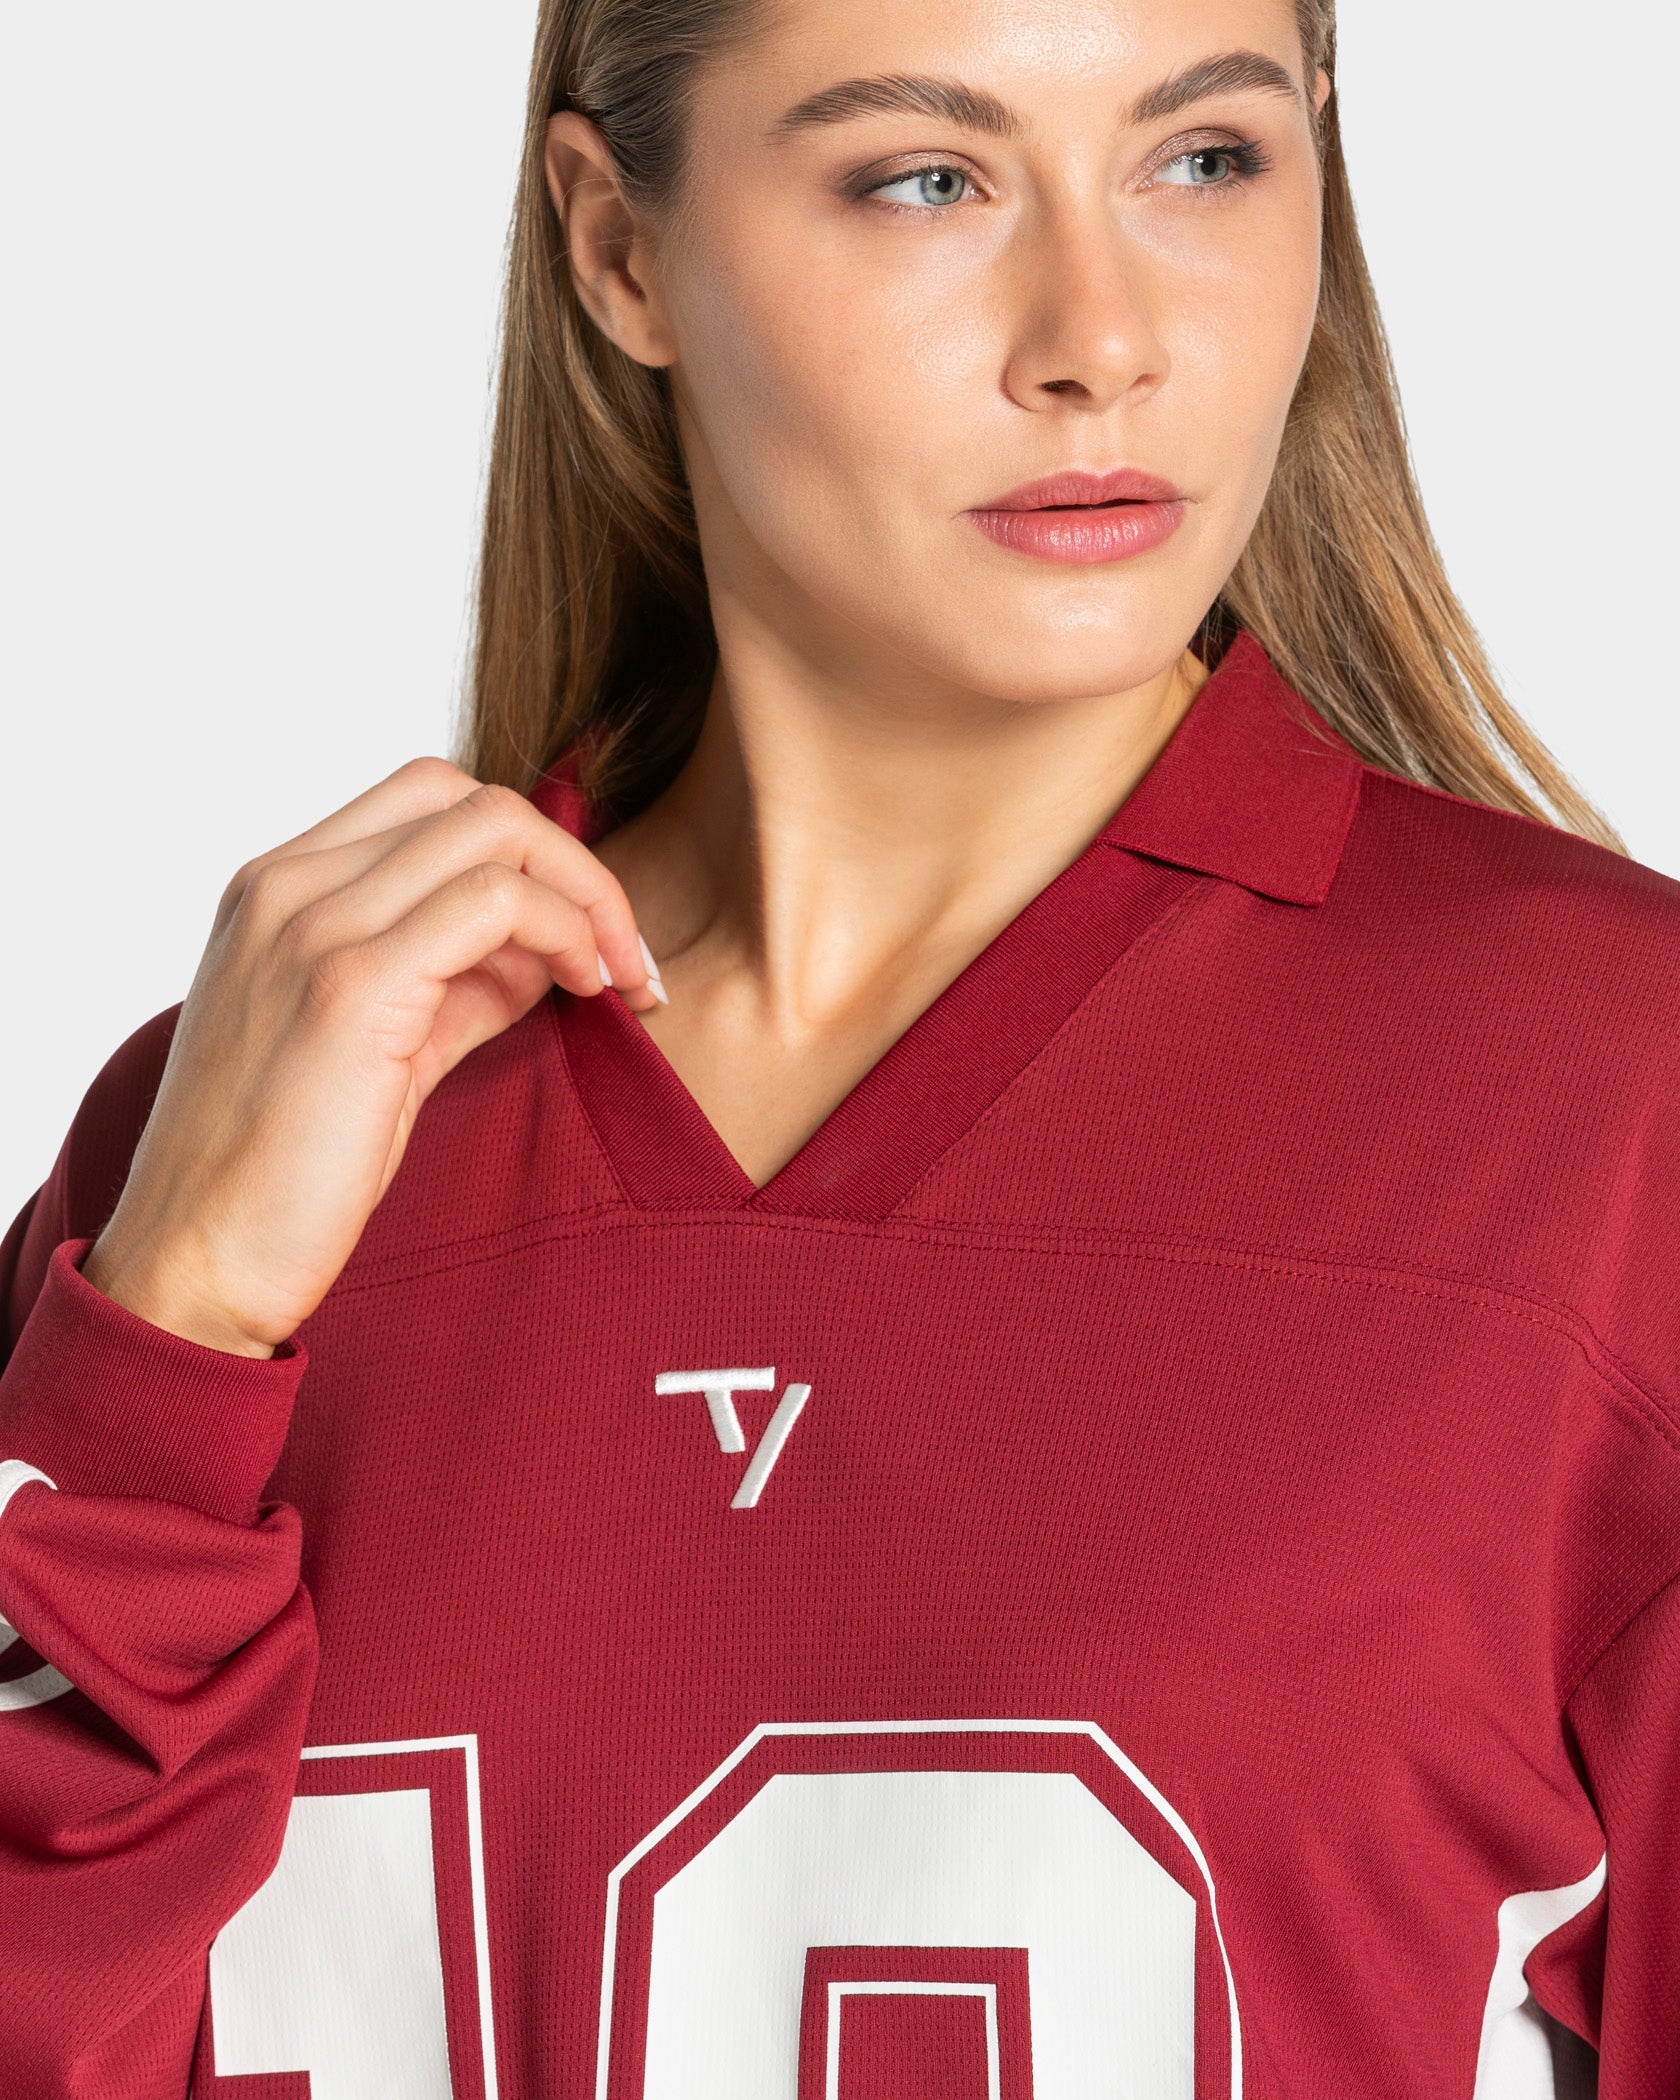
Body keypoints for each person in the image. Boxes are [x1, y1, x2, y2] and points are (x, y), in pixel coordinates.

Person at [1, 0, 1675, 2090]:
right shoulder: (233, 1138)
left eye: (1205, 160)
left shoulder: (1613, 1099)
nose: (1101, 338)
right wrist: (163, 1347)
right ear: (619, 247)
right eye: (926, 179)